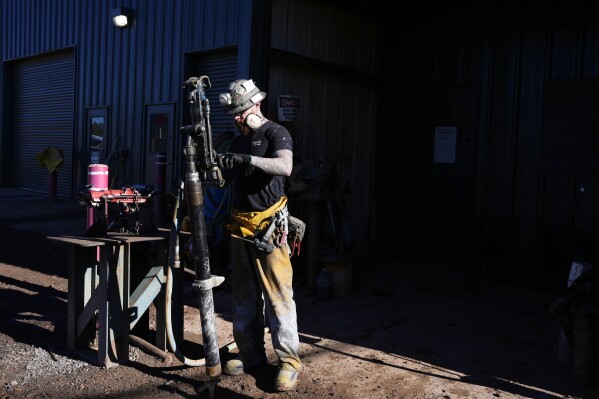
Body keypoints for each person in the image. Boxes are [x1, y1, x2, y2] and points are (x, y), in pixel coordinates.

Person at [216, 78, 301, 392]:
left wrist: (250, 159)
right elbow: (230, 179)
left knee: (278, 298)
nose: (237, 118)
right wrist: (221, 171)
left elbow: (285, 166)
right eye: (234, 114)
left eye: (240, 112)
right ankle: (251, 355)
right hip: (240, 226)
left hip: (269, 228)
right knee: (244, 298)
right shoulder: (238, 140)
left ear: (256, 106)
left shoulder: (275, 132)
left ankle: (289, 362)